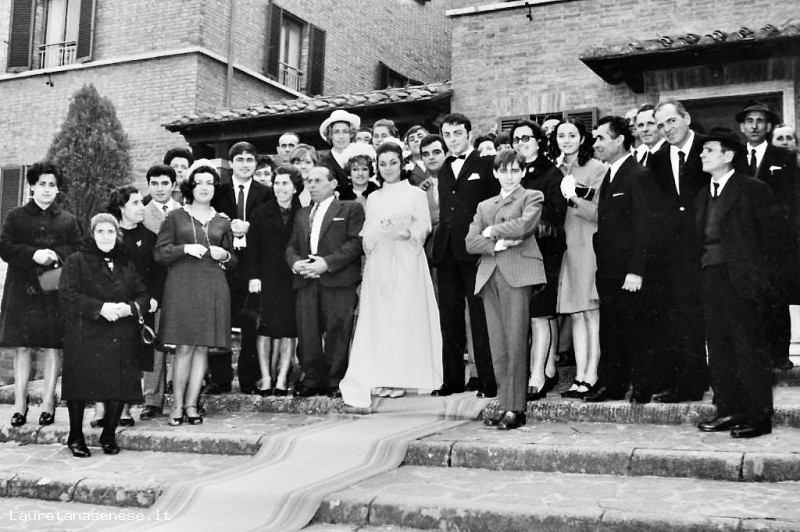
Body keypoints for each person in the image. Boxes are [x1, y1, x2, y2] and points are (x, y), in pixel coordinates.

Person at [695, 127, 783, 439]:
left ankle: (758, 417)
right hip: (710, 279)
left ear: (728, 155)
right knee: (719, 348)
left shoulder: (752, 189)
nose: (702, 155)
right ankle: (729, 410)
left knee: (749, 349)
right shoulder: (702, 196)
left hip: (744, 282)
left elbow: (774, 240)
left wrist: (762, 282)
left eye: (709, 150)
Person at [340, 142, 442, 407]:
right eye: (382, 164)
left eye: (393, 163)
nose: (388, 168)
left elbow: (424, 226)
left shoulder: (415, 194)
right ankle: (383, 375)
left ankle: (400, 378)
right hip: (380, 261)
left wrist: (405, 233)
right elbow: (367, 233)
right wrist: (376, 233)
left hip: (407, 260)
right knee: (381, 320)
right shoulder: (374, 198)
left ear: (402, 164)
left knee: (403, 318)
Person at [466, 149, 545, 430]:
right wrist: (497, 243)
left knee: (515, 342)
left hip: (517, 275)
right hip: (489, 275)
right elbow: (470, 242)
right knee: (498, 345)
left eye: (515, 170)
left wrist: (492, 231)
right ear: (495, 173)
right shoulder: (484, 205)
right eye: (504, 171)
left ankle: (516, 408)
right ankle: (504, 404)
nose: (509, 176)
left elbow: (524, 227)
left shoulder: (532, 196)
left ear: (522, 172)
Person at [60, 213, 149, 457]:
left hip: (120, 333)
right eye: (100, 231)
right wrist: (100, 308)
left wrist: (129, 308)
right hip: (86, 332)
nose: (106, 236)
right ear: (92, 234)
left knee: (119, 385)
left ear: (117, 235)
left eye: (111, 231)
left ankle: (108, 435)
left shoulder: (126, 262)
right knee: (80, 385)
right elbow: (67, 295)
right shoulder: (76, 261)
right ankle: (75, 436)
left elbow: (142, 294)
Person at [155, 163, 237, 425]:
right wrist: (184, 249)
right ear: (190, 187)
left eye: (209, 183)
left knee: (202, 348)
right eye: (199, 182)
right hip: (183, 286)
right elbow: (160, 253)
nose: (204, 187)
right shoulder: (175, 217)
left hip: (213, 286)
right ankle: (177, 405)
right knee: (184, 347)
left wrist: (225, 256)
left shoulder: (223, 221)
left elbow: (233, 259)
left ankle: (192, 405)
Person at [0, 162, 81, 428]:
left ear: (58, 189)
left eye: (52, 185)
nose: (47, 189)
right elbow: (4, 246)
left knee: (52, 346)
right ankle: (19, 403)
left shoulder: (68, 220)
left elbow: (78, 249)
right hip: (21, 289)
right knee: (22, 346)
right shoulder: (15, 216)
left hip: (53, 291)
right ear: (32, 186)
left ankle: (48, 403)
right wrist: (32, 254)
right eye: (42, 184)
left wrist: (56, 255)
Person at [585, 116, 657, 404]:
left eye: (601, 138)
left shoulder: (638, 175)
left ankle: (642, 385)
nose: (596, 144)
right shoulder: (610, 175)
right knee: (611, 329)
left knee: (636, 329)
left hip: (629, 272)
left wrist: (636, 270)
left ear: (620, 140)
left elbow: (644, 225)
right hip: (608, 270)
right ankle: (612, 385)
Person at [430, 113, 499, 398]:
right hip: (447, 252)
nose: (452, 139)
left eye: (457, 133)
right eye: (447, 134)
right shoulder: (444, 168)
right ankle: (452, 381)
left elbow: (494, 204)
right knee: (449, 317)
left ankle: (488, 381)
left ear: (469, 134)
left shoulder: (486, 163)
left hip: (474, 250)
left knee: (480, 317)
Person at [647, 99, 710, 403]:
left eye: (671, 121)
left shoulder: (710, 149)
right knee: (681, 318)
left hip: (710, 248)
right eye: (660, 125)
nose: (667, 129)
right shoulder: (657, 159)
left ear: (686, 117)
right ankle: (688, 383)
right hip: (674, 256)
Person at [285, 165, 365, 397]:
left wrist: (326, 264)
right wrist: (296, 263)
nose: (312, 185)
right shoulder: (302, 213)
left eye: (318, 180)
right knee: (307, 332)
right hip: (306, 281)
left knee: (338, 331)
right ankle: (312, 380)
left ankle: (335, 381)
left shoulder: (350, 208)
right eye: (309, 181)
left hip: (338, 281)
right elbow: (291, 245)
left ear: (333, 183)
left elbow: (355, 243)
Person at [90, 186, 161, 429]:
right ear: (121, 207)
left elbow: (157, 272)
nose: (142, 207)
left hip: (136, 306)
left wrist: (154, 297)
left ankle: (124, 408)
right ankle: (100, 406)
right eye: (135, 203)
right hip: (106, 305)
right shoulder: (107, 234)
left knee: (131, 357)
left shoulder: (149, 237)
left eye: (142, 202)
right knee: (102, 356)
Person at [736, 101, 799, 371]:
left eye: (760, 121)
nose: (754, 126)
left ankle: (780, 355)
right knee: (748, 300)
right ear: (742, 127)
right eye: (749, 121)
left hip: (775, 243)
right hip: (744, 242)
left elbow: (793, 200)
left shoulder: (783, 157)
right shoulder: (734, 157)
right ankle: (754, 355)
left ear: (769, 126)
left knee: (776, 298)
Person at [209, 143, 273, 395]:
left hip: (252, 265)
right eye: (239, 159)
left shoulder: (266, 193)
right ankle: (220, 379)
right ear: (231, 163)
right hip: (222, 264)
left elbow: (270, 229)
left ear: (255, 163)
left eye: (249, 159)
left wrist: (250, 228)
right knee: (220, 320)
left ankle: (248, 380)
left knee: (251, 322)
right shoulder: (218, 192)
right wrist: (228, 229)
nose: (245, 164)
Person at [550, 119, 606, 398]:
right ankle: (580, 375)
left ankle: (592, 374)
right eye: (561, 135)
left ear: (582, 138)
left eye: (572, 135)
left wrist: (573, 197)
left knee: (590, 312)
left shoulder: (598, 169)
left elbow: (599, 212)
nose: (566, 140)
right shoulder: (556, 168)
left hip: (587, 244)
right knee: (575, 314)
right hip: (565, 248)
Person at [513, 119, 567, 400]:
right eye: (516, 139)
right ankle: (547, 368)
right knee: (532, 315)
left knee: (540, 314)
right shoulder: (513, 172)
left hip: (544, 250)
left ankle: (537, 377)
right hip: (519, 252)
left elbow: (557, 213)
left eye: (526, 138)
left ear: (539, 141)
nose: (520, 143)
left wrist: (529, 218)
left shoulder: (551, 172)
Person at [245, 165, 304, 396]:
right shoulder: (261, 212)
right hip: (267, 278)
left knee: (289, 329)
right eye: (276, 183)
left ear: (295, 187)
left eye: (285, 183)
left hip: (292, 278)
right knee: (265, 329)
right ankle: (266, 378)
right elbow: (252, 248)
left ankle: (281, 379)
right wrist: (253, 276)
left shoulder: (302, 212)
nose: (280, 188)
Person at [140, 164, 181, 420]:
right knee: (154, 344)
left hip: (180, 284)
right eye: (154, 184)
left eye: (165, 183)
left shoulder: (184, 212)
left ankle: (180, 396)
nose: (160, 188)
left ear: (173, 185)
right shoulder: (141, 213)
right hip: (153, 288)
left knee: (180, 342)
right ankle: (152, 400)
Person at [419, 134, 446, 261]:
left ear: (446, 153)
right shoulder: (420, 190)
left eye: (436, 152)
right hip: (429, 255)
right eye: (426, 154)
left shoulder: (459, 183)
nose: (431, 157)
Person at [319, 110, 361, 187]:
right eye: (336, 132)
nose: (341, 136)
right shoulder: (323, 163)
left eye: (345, 131)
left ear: (351, 134)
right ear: (330, 135)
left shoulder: (360, 157)